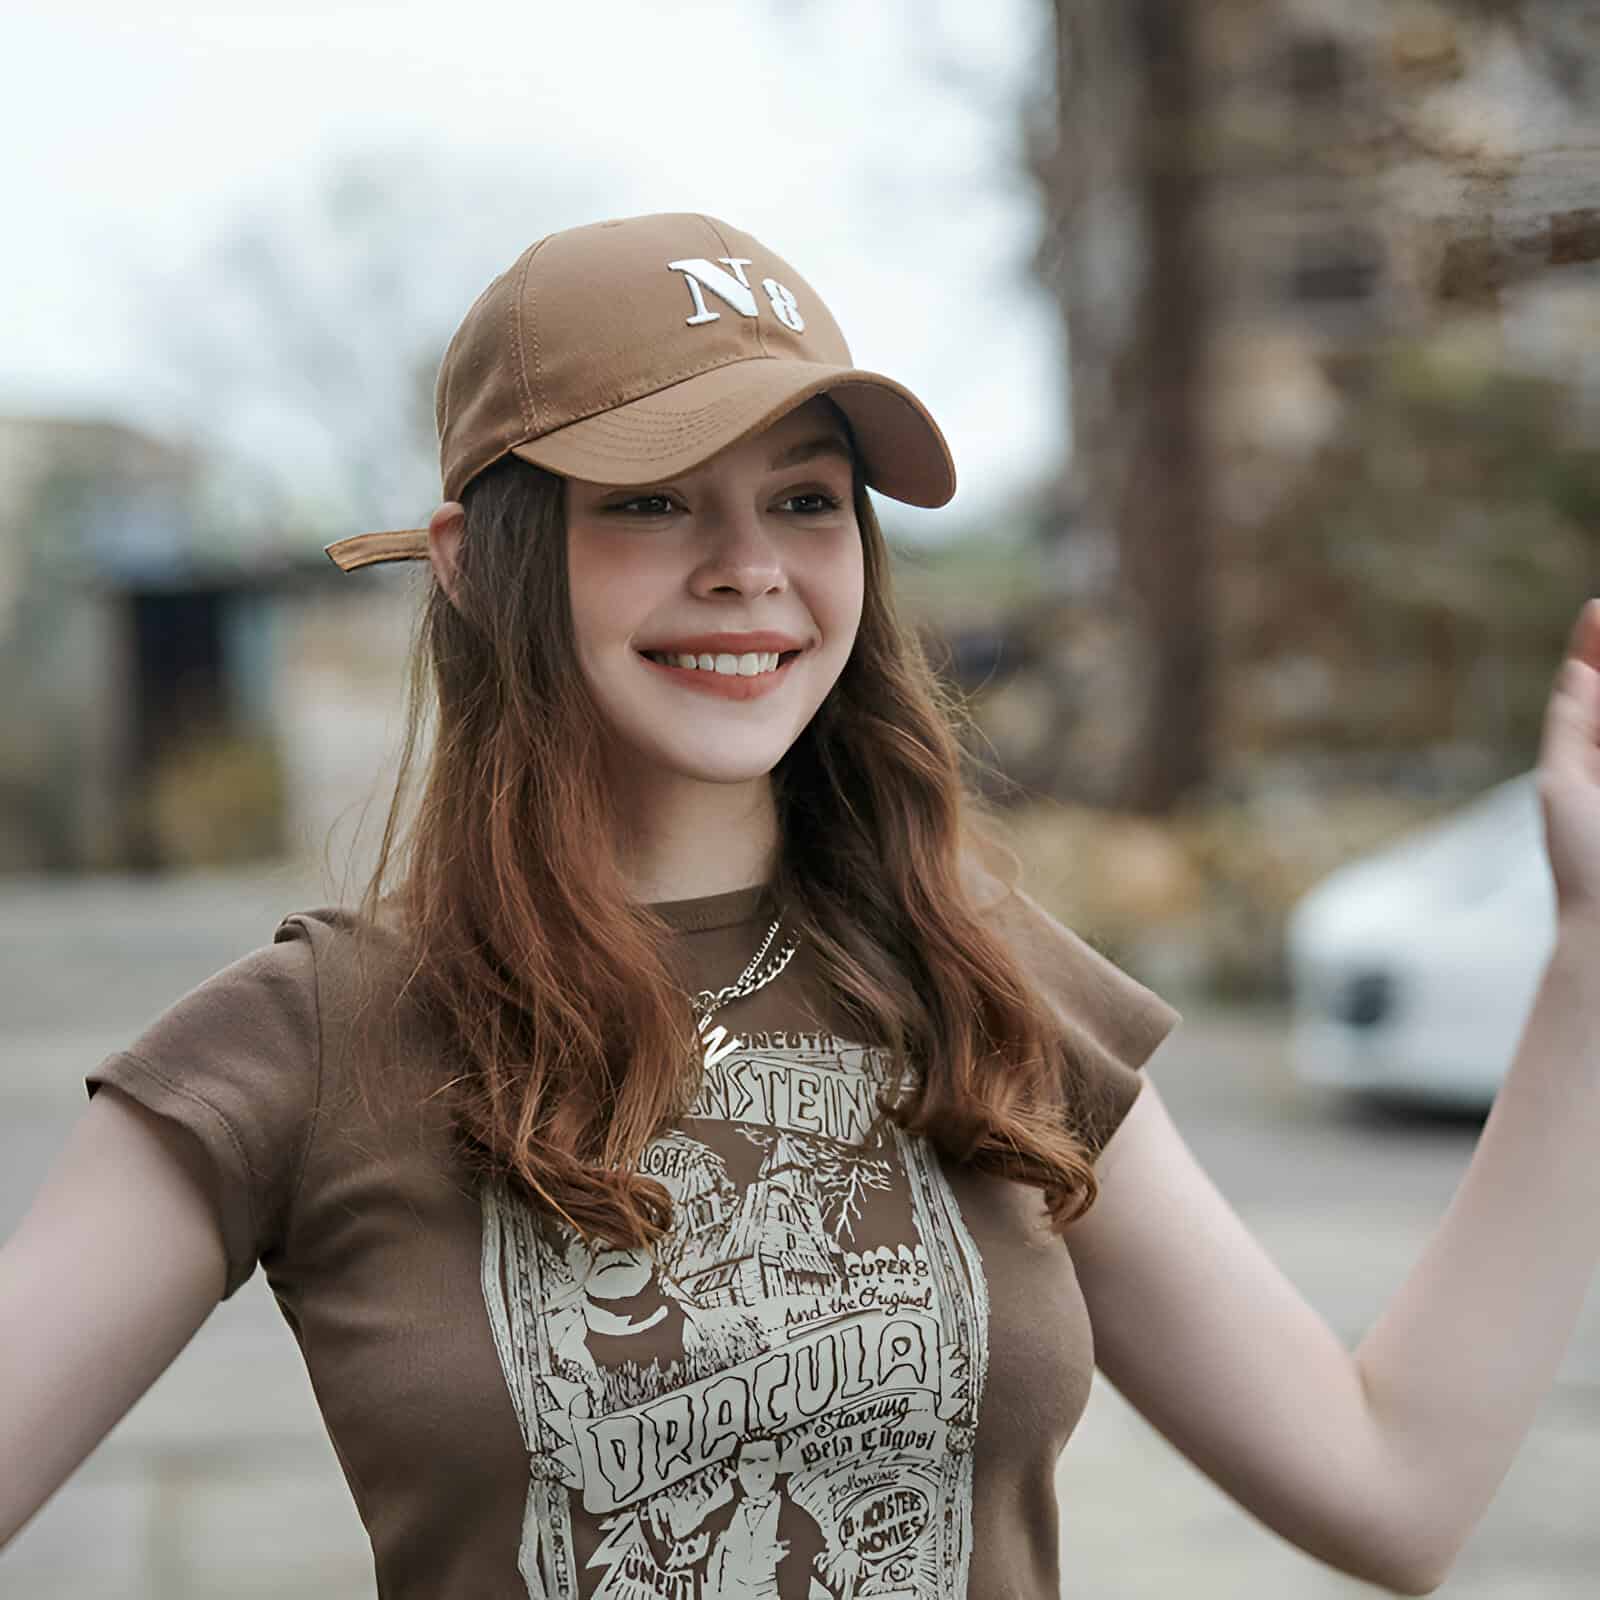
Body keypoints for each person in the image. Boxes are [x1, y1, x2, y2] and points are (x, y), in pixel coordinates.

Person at [3, 211, 1600, 1600]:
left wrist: (1588, 953)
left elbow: (1396, 1492)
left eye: (806, 499)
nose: (748, 567)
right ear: (475, 566)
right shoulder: (304, 1047)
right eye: (649, 502)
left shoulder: (979, 985)